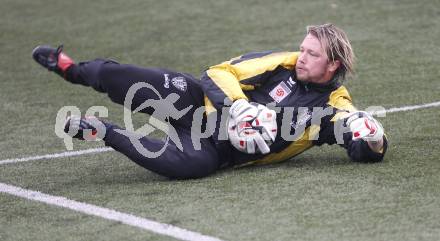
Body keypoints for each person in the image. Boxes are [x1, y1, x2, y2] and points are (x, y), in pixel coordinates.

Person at [32, 23, 388, 179]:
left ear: (333, 65)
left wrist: (372, 137)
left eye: (312, 54)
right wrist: (238, 108)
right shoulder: (283, 62)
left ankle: (102, 132)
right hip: (195, 102)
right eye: (303, 49)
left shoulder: (334, 107)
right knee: (128, 78)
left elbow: (364, 148)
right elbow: (217, 72)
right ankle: (70, 69)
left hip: (220, 151)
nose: (302, 56)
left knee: (189, 167)